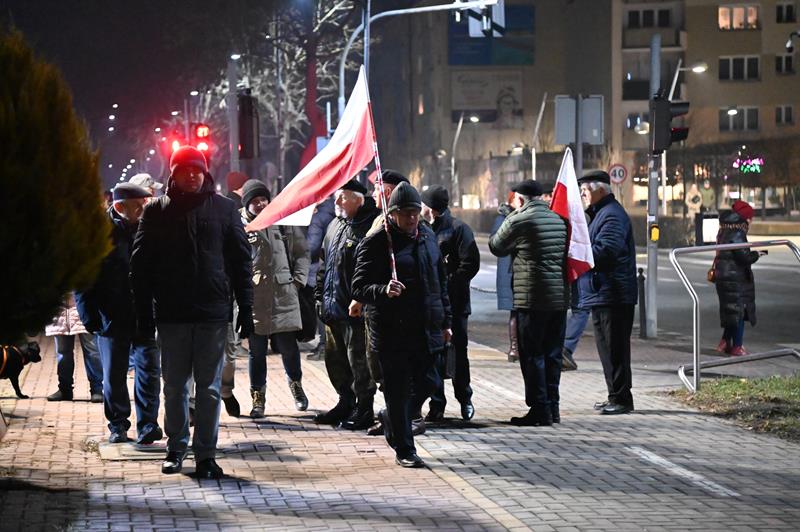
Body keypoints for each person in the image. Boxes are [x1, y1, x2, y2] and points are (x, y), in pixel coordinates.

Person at [130, 146, 254, 479]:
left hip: (213, 314)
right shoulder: (156, 211)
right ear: (174, 174)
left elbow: (242, 262)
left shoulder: (225, 210)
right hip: (171, 315)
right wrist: (144, 316)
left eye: (198, 170)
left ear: (206, 172)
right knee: (173, 387)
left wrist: (247, 307)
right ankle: (176, 448)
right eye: (185, 170)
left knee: (210, 388)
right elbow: (140, 267)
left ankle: (206, 455)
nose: (192, 175)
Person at [352, 182, 451, 468]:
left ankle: (392, 419)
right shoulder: (378, 241)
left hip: (426, 328)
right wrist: (383, 290)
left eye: (415, 213)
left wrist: (446, 321)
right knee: (396, 390)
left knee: (429, 382)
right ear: (393, 213)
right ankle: (405, 448)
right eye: (405, 213)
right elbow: (358, 286)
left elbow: (440, 283)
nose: (411, 219)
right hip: (392, 330)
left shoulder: (428, 237)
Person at [76, 183, 163, 444]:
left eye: (145, 204)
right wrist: (88, 315)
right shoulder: (97, 234)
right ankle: (118, 424)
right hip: (111, 316)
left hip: (145, 313)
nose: (144, 209)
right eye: (138, 206)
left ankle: (148, 425)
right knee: (114, 374)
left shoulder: (151, 230)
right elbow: (84, 277)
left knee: (149, 370)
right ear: (119, 207)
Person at [489, 180, 569, 426]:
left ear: (520, 199)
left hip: (531, 298)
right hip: (558, 299)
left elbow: (496, 246)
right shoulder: (559, 220)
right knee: (553, 354)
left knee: (532, 355)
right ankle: (553, 407)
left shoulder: (518, 219)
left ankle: (539, 410)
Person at [239, 179, 310, 418]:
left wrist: (298, 280)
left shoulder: (282, 220)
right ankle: (257, 398)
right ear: (247, 204)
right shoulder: (238, 225)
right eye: (255, 201)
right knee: (256, 351)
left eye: (263, 199)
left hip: (284, 294)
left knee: (289, 347)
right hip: (254, 298)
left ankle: (297, 387)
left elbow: (302, 252)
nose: (260, 204)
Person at [314, 179, 379, 429]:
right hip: (333, 308)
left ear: (358, 199)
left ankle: (364, 408)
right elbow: (324, 265)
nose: (337, 201)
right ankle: (345, 401)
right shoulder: (334, 225)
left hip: (355, 309)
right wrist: (320, 297)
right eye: (336, 196)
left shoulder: (369, 227)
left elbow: (371, 270)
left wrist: (361, 299)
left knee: (359, 361)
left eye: (343, 196)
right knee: (336, 360)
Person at [577, 170, 637, 415]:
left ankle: (622, 399)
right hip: (603, 292)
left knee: (616, 349)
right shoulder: (600, 214)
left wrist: (580, 248)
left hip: (613, 293)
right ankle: (615, 395)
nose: (582, 195)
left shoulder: (611, 215)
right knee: (607, 349)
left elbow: (605, 252)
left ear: (600, 190)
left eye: (585, 191)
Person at [420, 185, 480, 422]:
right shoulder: (422, 229)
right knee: (434, 355)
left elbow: (470, 264)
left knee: (458, 354)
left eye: (423, 204)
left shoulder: (458, 229)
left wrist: (445, 284)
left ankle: (465, 399)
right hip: (432, 307)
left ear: (431, 209)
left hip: (455, 305)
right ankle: (437, 404)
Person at [713, 200, 762, 356]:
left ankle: (725, 342)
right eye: (750, 217)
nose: (751, 220)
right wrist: (757, 254)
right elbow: (743, 257)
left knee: (732, 310)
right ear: (745, 217)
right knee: (739, 311)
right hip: (735, 277)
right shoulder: (737, 232)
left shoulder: (725, 229)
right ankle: (737, 346)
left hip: (724, 276)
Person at [44, 294, 103, 403]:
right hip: (59, 312)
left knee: (92, 352)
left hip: (83, 309)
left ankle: (97, 389)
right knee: (62, 353)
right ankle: (64, 389)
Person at [305, 196, 336, 361]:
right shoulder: (335, 212)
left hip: (318, 269)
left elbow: (312, 247)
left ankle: (324, 346)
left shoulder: (318, 217)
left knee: (320, 309)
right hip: (332, 268)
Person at [490, 193, 517, 362]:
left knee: (520, 313)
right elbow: (496, 243)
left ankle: (518, 348)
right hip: (510, 271)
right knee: (515, 312)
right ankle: (515, 348)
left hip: (516, 271)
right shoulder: (503, 219)